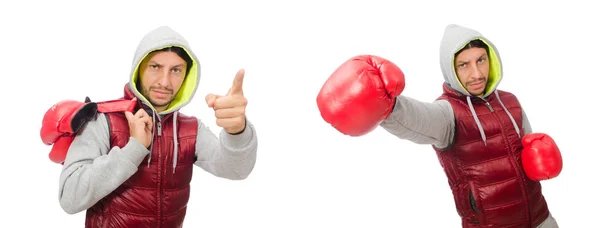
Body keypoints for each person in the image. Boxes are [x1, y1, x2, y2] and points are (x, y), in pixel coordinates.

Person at [316, 24, 562, 227]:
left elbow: (529, 151)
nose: (476, 74)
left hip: (541, 218)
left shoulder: (510, 101)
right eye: (464, 65)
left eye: (481, 60)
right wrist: (388, 104)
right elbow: (418, 118)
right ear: (451, 70)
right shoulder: (448, 113)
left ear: (492, 59)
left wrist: (540, 158)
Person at [55, 26, 258, 227]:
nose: (164, 81)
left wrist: (237, 131)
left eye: (176, 70)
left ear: (186, 76)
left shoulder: (190, 129)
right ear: (138, 68)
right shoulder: (103, 119)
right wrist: (133, 149)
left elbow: (236, 170)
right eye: (155, 67)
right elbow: (69, 198)